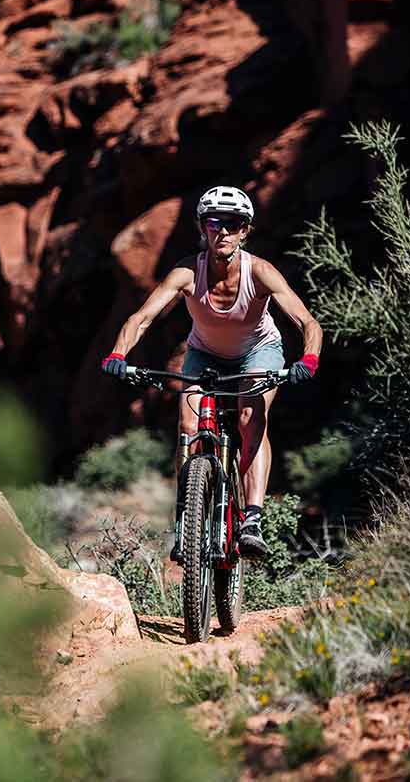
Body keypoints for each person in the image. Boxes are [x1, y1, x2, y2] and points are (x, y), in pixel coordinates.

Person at [99, 186, 322, 559]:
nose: (222, 231)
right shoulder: (187, 272)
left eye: (232, 224)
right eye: (214, 222)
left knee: (251, 415)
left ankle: (252, 518)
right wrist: (119, 352)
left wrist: (309, 359)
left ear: (245, 230)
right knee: (188, 426)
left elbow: (307, 321)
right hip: (204, 354)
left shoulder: (261, 272)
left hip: (258, 352)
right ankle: (186, 520)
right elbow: (143, 317)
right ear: (202, 227)